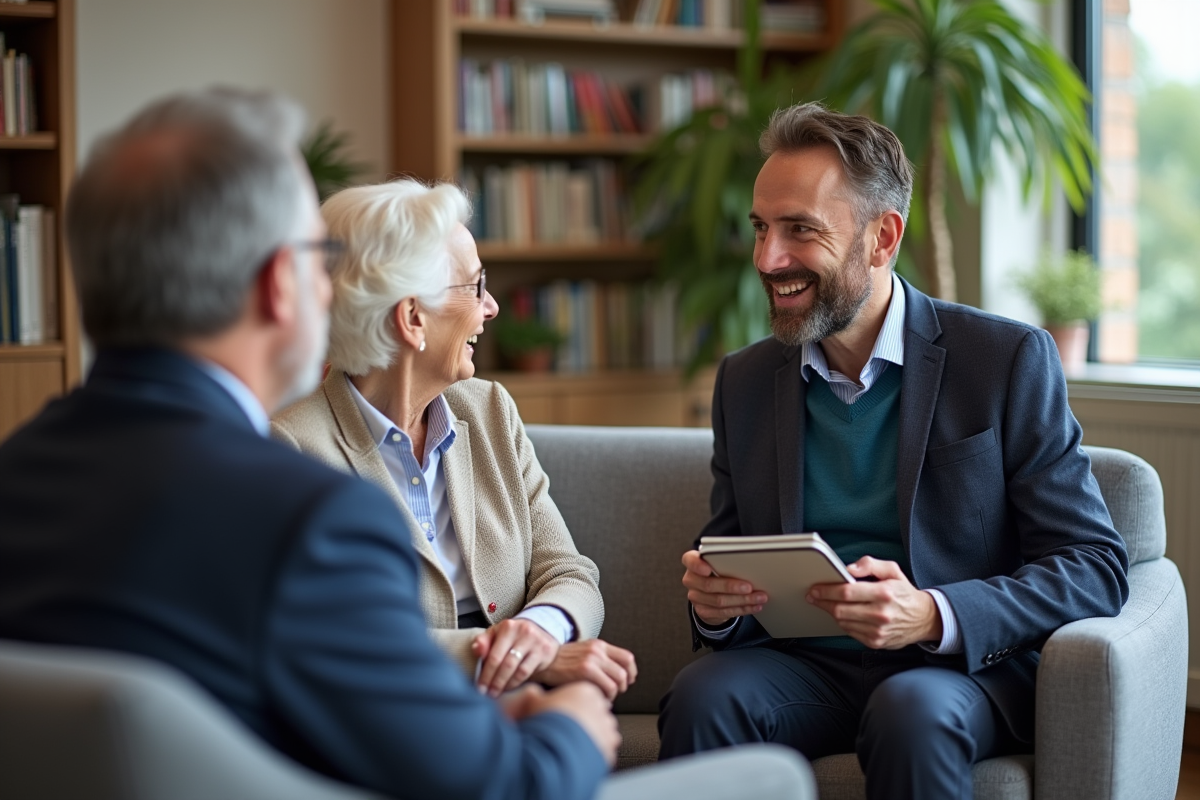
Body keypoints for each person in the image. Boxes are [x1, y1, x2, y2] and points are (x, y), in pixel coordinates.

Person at [0, 87, 815, 800]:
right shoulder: (303, 516)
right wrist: (566, 724)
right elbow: (504, 785)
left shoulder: (19, 479)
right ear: (280, 287)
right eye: (317, 262)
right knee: (772, 783)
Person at [658, 102, 1130, 800]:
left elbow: (1094, 566)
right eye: (761, 229)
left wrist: (936, 613)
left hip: (948, 674)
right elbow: (727, 546)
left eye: (800, 231)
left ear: (883, 238)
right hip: (805, 670)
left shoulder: (1004, 360)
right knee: (703, 696)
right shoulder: (747, 380)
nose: (767, 259)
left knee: (911, 713)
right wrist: (716, 604)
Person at [272, 179, 635, 700]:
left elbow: (568, 570)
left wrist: (540, 631)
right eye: (477, 286)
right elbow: (336, 632)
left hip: (520, 684)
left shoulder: (489, 410)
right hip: (401, 703)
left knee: (578, 703)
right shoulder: (295, 449)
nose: (491, 309)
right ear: (413, 317)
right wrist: (521, 661)